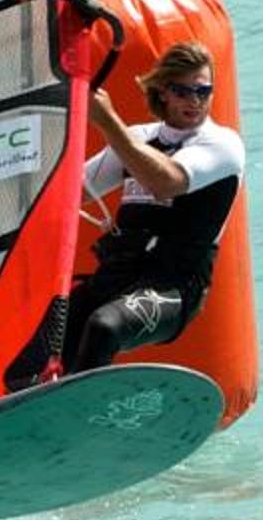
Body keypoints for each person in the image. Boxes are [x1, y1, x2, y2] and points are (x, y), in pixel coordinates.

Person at [64, 42, 245, 373]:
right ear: (163, 91)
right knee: (52, 328)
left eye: (203, 91)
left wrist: (108, 122)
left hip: (174, 285)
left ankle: (81, 402)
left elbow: (165, 182)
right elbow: (70, 192)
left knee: (105, 327)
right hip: (118, 274)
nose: (194, 100)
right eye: (182, 91)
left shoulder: (223, 145)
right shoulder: (138, 138)